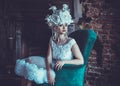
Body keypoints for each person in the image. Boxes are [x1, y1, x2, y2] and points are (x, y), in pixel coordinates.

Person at [15, 4, 84, 86]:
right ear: (55, 27)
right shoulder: (52, 39)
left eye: (66, 25)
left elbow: (81, 60)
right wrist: (49, 70)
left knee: (31, 70)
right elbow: (48, 57)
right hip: (52, 63)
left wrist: (64, 62)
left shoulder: (71, 42)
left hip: (61, 68)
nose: (64, 27)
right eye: (61, 25)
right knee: (27, 61)